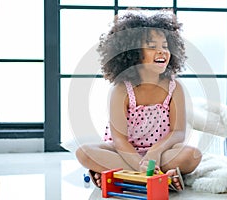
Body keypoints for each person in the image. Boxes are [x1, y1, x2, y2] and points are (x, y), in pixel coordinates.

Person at [76, 9, 202, 191]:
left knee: (193, 155)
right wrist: (140, 163)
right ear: (134, 53)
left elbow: (177, 133)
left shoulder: (175, 88)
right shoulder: (121, 90)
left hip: (161, 153)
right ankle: (153, 176)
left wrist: (155, 152)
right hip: (124, 151)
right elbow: (119, 140)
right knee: (84, 152)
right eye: (152, 46)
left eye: (165, 46)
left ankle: (124, 176)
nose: (161, 51)